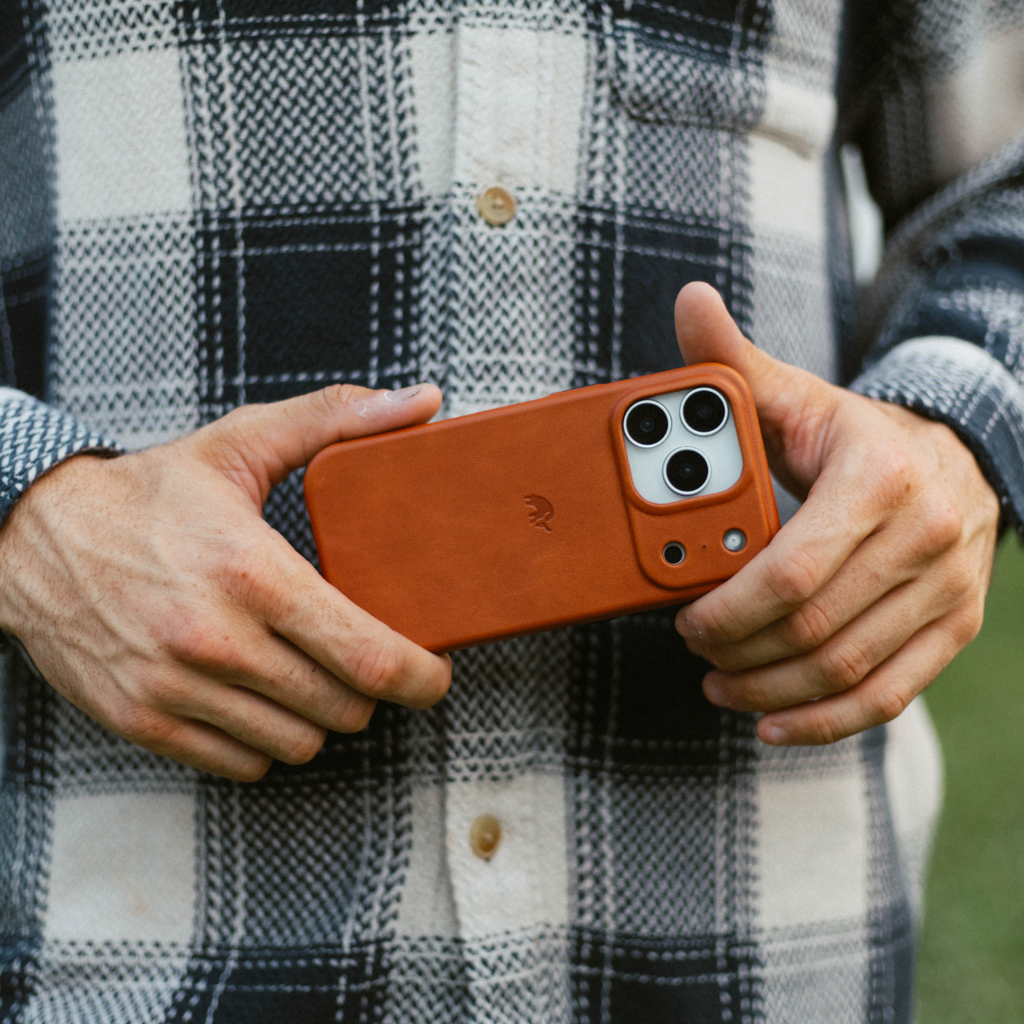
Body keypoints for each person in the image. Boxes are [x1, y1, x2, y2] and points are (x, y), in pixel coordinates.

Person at [0, 0, 1021, 1020]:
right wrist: (33, 512)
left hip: (758, 946)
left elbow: (1001, 177)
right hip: (130, 941)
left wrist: (954, 434)